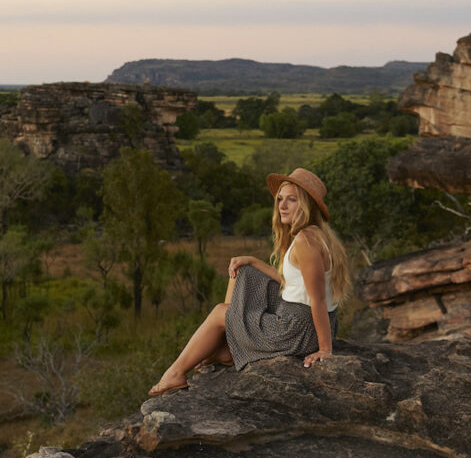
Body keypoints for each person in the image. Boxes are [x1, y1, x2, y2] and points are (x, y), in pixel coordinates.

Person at [148, 167, 351, 396]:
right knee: (244, 270)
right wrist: (253, 261)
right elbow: (294, 283)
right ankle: (227, 344)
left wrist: (325, 349)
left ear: (306, 206)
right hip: (302, 320)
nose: (282, 206)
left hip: (298, 329)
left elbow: (318, 299)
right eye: (280, 199)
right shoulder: (315, 234)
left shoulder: (306, 242)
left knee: (218, 313)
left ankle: (175, 373)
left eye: (291, 200)